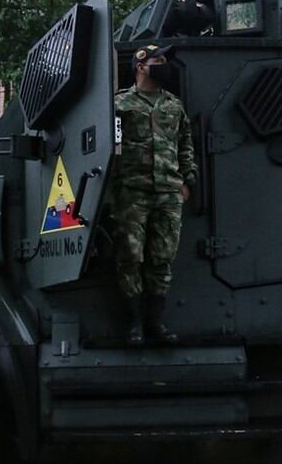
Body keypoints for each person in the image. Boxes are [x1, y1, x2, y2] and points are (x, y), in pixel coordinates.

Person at [112, 44, 196, 345]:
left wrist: (188, 180)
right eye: (157, 60)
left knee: (162, 259)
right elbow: (112, 146)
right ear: (140, 65)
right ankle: (134, 325)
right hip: (132, 192)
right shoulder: (119, 104)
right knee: (130, 257)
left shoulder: (173, 105)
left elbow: (185, 143)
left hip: (168, 192)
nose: (163, 65)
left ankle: (155, 325)